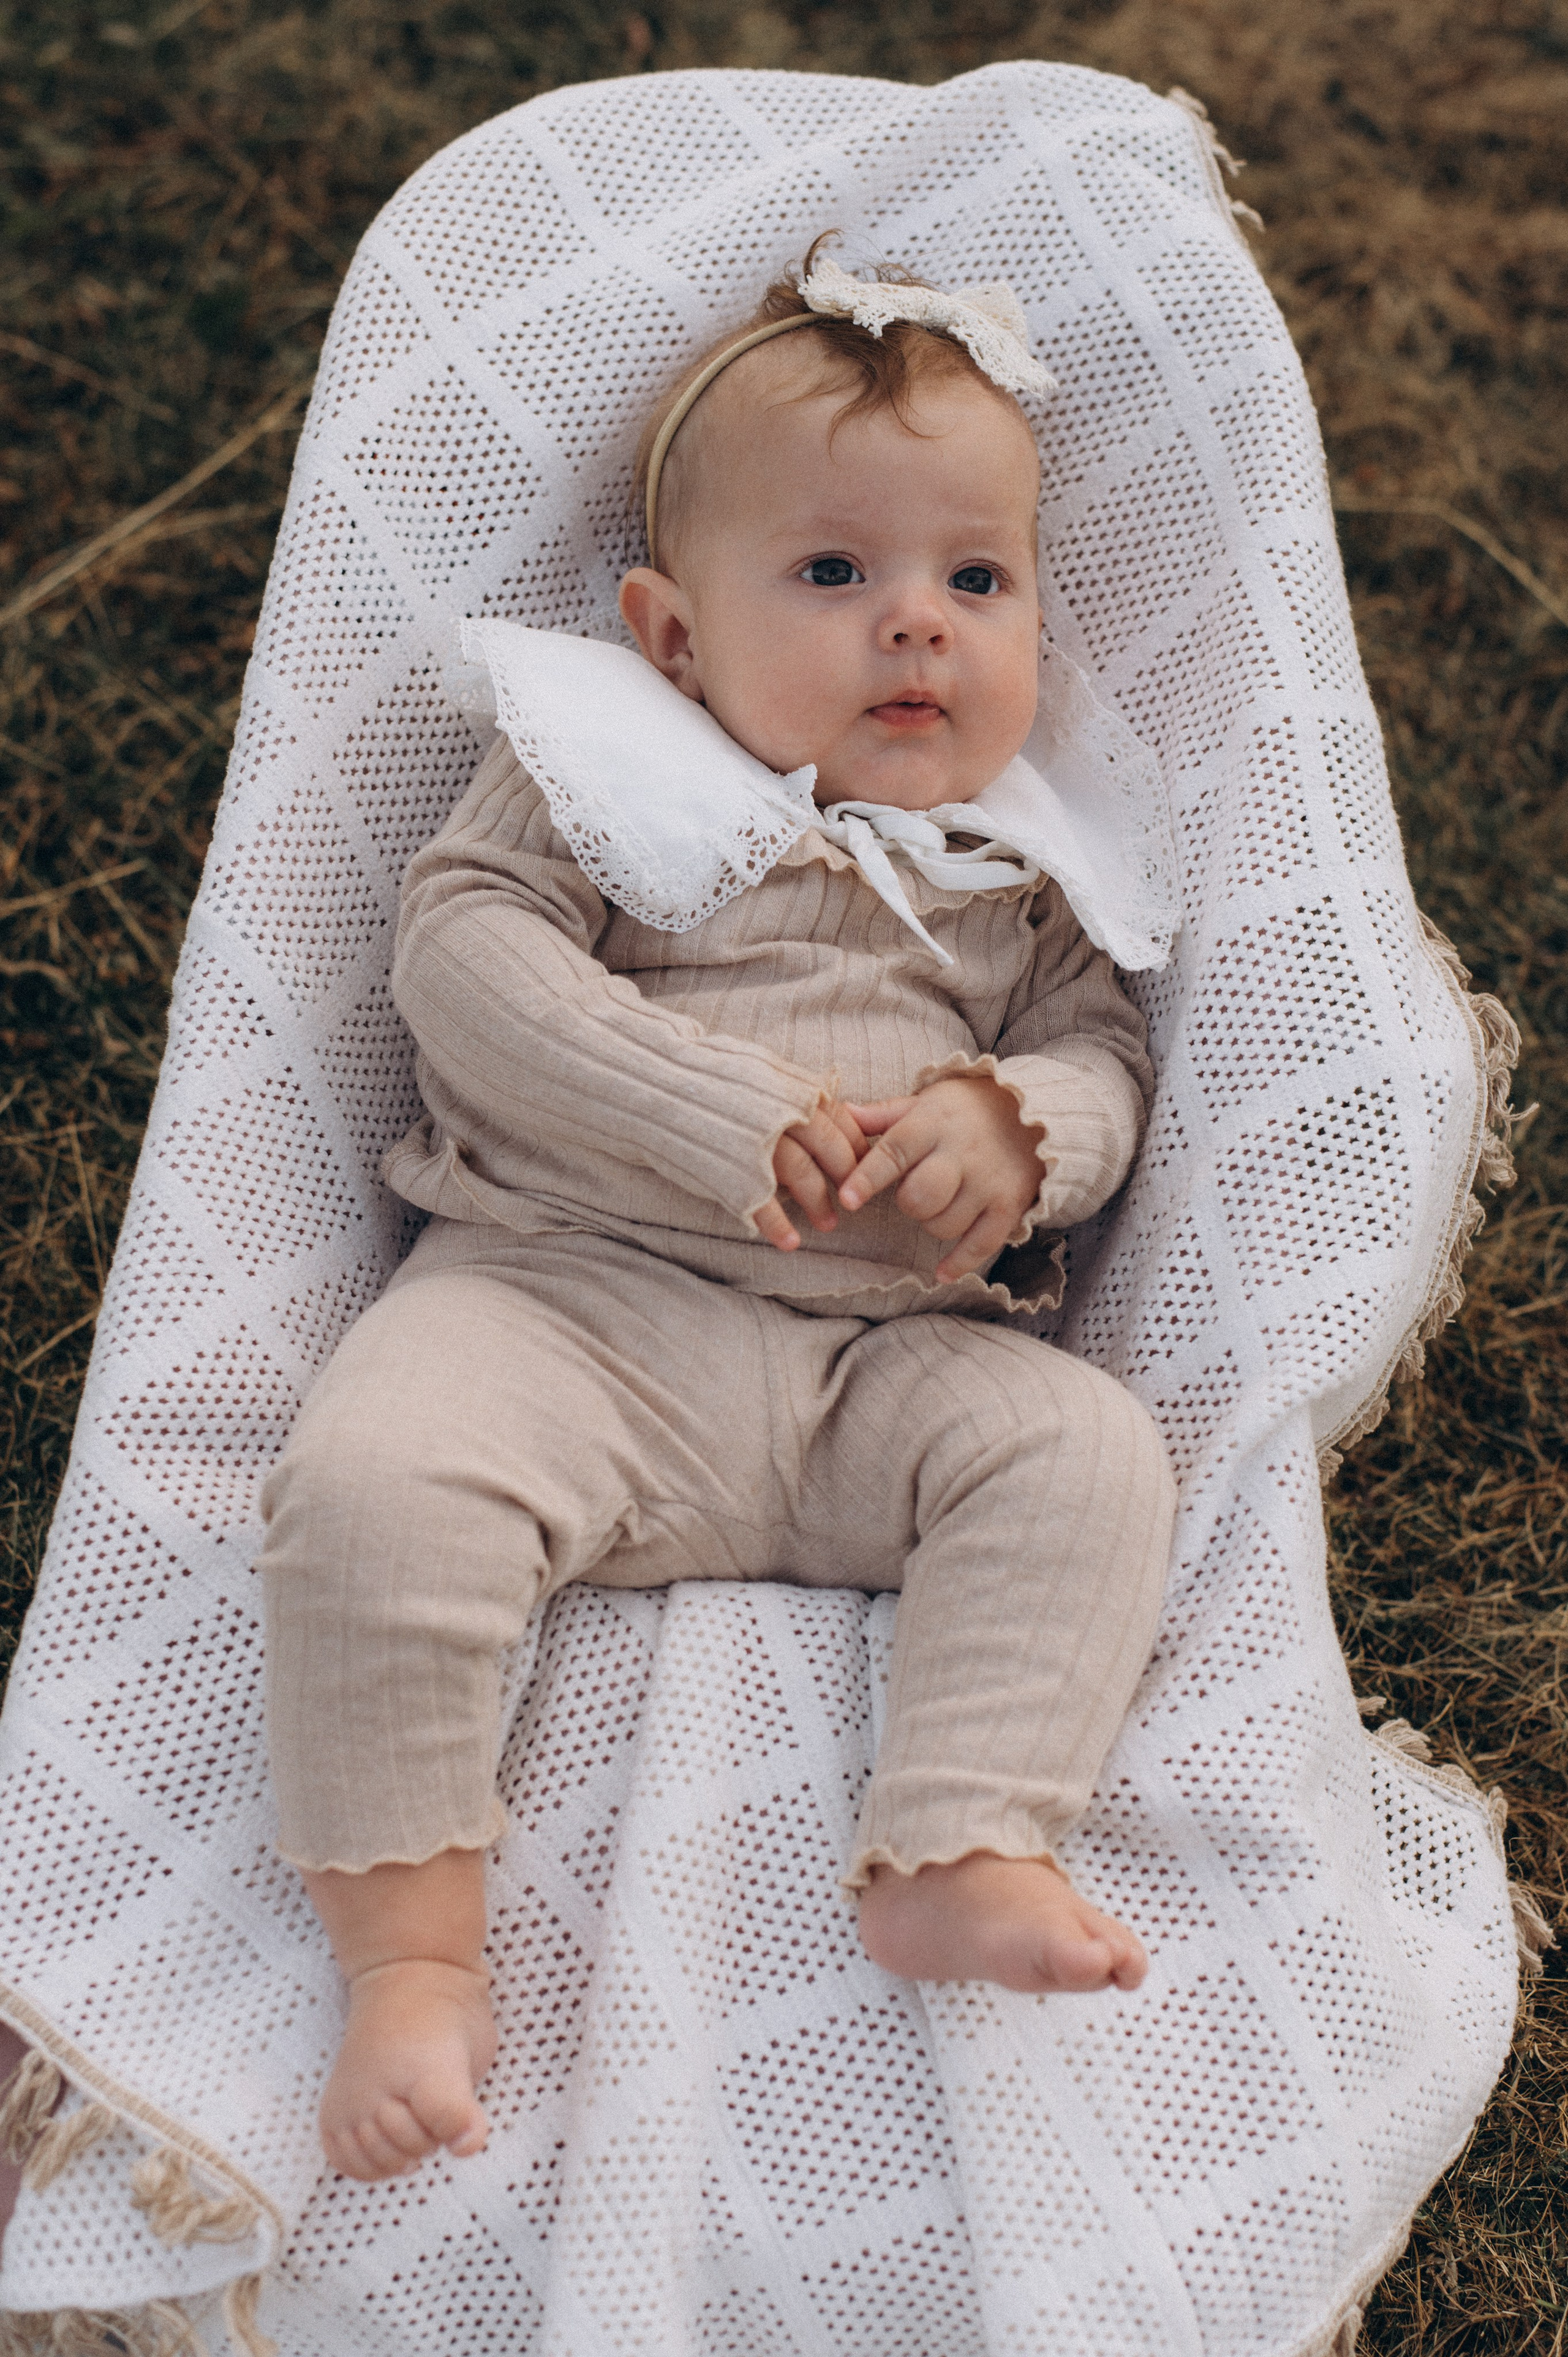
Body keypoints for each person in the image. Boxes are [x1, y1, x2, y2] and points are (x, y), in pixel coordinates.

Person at [258, 244, 1178, 2186]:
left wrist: (1016, 1130)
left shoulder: (1022, 871)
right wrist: (708, 1109)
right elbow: (466, 957)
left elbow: (1103, 1058)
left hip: (879, 1373)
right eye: (834, 573)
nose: (916, 623)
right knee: (375, 1489)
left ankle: (962, 1840)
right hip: (560, 1312)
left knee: (1084, 1454)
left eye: (977, 581)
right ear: (673, 637)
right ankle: (411, 1952)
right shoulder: (595, 772)